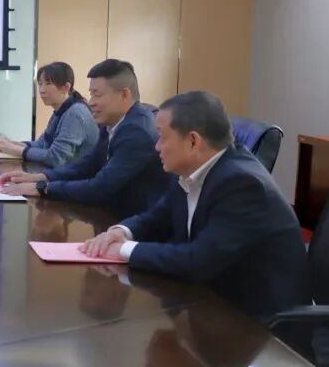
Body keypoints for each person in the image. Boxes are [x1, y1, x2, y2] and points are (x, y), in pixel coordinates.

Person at [79, 91, 308, 317]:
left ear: (192, 141)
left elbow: (199, 260)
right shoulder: (191, 171)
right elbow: (158, 218)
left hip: (258, 320)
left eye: (162, 137)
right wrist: (122, 232)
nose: (156, 146)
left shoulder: (242, 184)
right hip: (212, 298)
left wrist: (123, 250)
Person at [1, 59, 171, 216]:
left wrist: (43, 188)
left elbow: (99, 187)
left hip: (133, 221)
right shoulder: (112, 121)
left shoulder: (137, 131)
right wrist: (41, 177)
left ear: (124, 95)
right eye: (91, 94)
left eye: (97, 95)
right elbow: (86, 166)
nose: (90, 102)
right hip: (112, 213)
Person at [0, 61, 98, 167]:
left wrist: (15, 150)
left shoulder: (75, 113)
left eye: (48, 83)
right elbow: (42, 144)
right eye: (40, 84)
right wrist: (13, 144)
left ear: (66, 87)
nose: (42, 90)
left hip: (78, 176)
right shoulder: (61, 110)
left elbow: (56, 158)